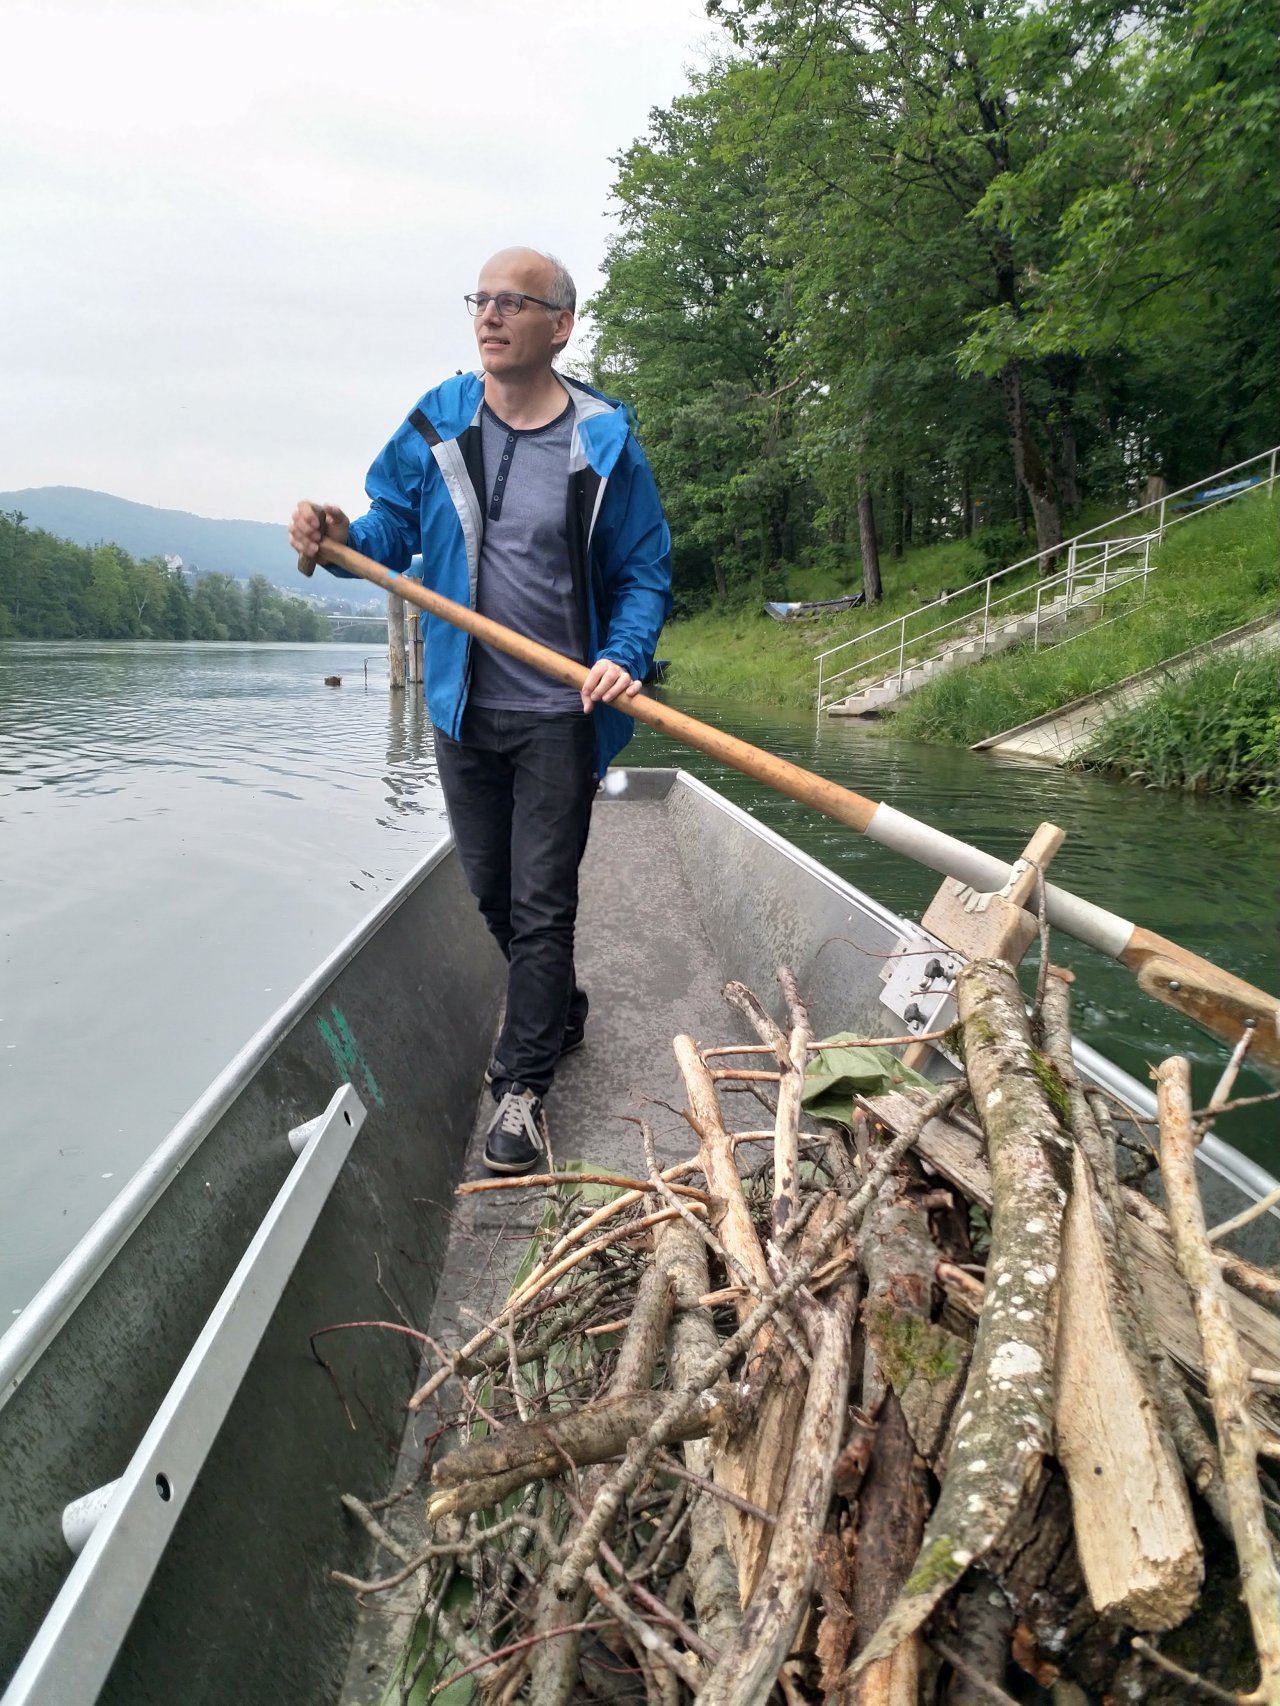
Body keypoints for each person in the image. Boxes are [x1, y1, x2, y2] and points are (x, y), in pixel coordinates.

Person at [289, 247, 672, 1175]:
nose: (490, 315)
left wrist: (622, 658)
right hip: (463, 707)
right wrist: (342, 537)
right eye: (482, 300)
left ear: (561, 326)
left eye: (514, 301)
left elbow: (643, 571)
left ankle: (524, 1085)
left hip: (557, 712)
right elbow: (391, 530)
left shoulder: (604, 440)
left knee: (543, 906)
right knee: (493, 894)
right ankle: (560, 1011)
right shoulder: (439, 420)